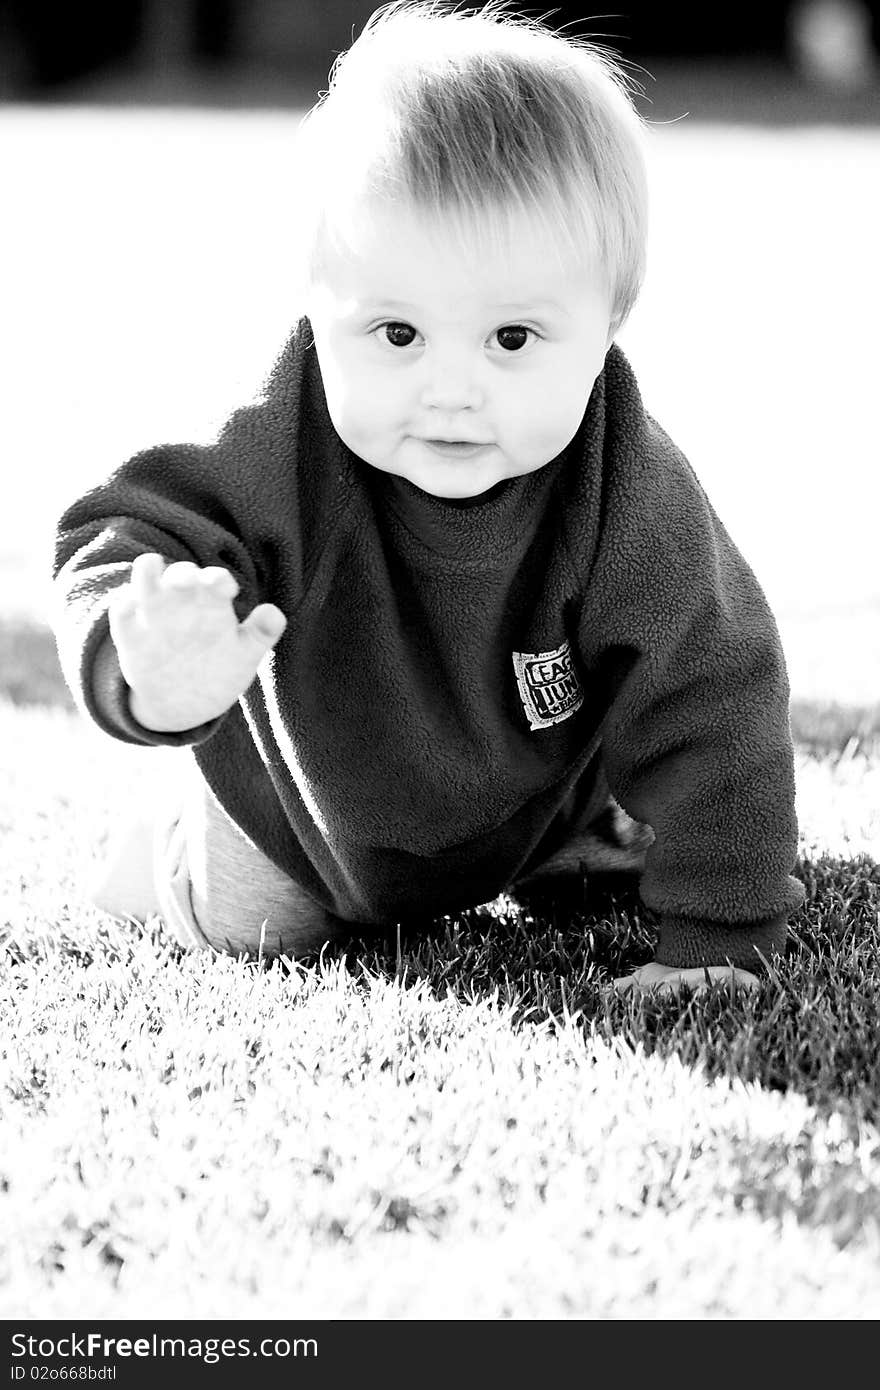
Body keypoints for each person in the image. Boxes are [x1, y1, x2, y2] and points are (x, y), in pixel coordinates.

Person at [51, 0, 805, 995]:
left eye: (511, 339)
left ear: (608, 322)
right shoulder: (277, 439)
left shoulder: (624, 486)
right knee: (259, 930)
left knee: (622, 841)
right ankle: (167, 850)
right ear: (318, 306)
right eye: (397, 335)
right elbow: (117, 531)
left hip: (527, 806)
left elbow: (715, 690)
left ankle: (578, 831)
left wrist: (716, 939)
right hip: (301, 819)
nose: (452, 388)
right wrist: (146, 658)